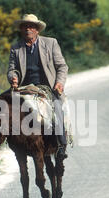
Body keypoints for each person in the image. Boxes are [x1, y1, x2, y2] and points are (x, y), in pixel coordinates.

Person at [7, 13, 69, 160]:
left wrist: (59, 83)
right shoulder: (16, 48)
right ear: (21, 30)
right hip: (24, 87)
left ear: (37, 30)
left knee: (57, 108)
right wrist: (13, 78)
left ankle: (61, 146)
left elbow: (62, 66)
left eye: (31, 26)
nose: (28, 29)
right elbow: (12, 69)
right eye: (25, 26)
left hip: (47, 87)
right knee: (1, 104)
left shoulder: (50, 43)